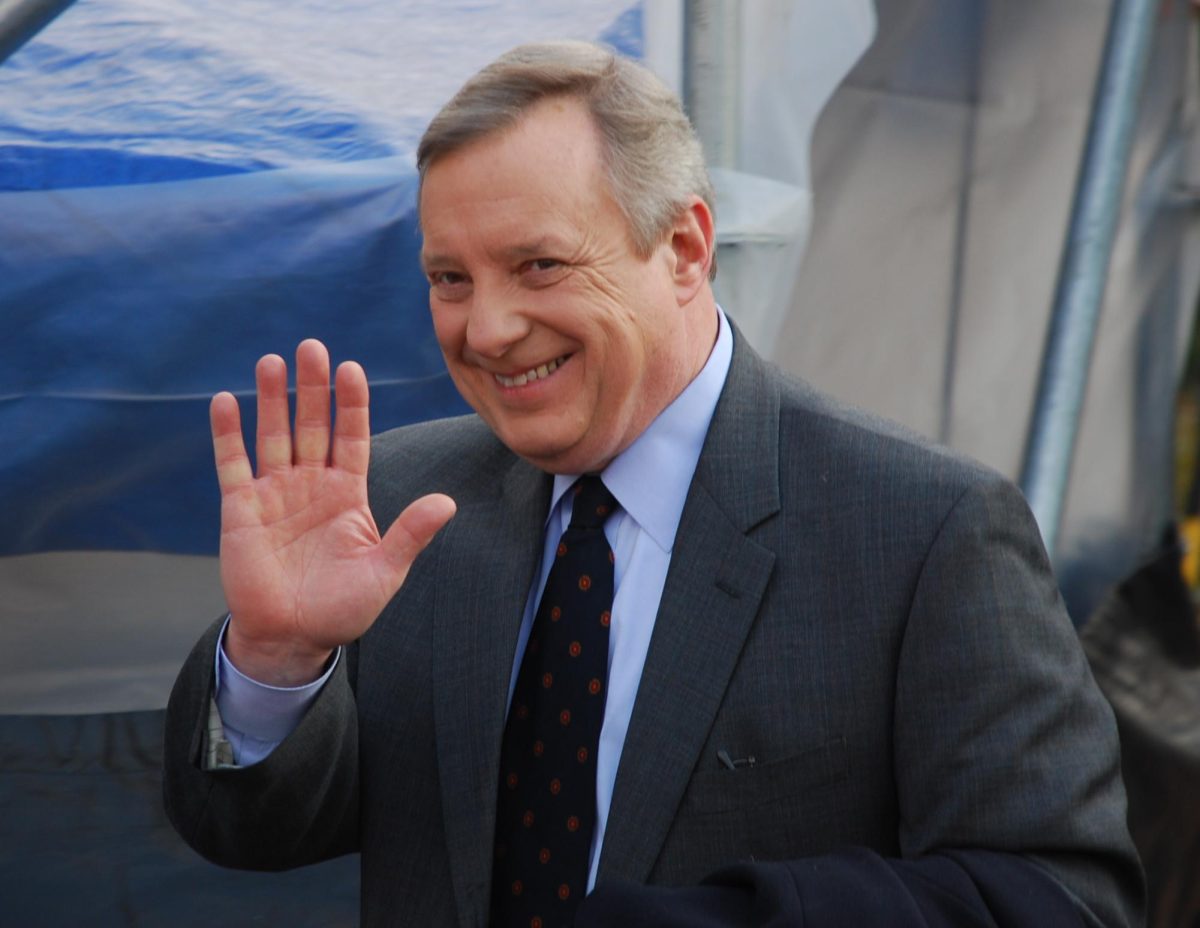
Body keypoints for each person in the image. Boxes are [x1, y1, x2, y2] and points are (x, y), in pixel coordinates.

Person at [163, 40, 1144, 927]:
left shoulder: (926, 528)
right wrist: (278, 660)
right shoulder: (401, 506)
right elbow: (253, 831)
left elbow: (1061, 898)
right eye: (450, 278)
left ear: (683, 249)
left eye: (537, 264)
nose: (487, 327)